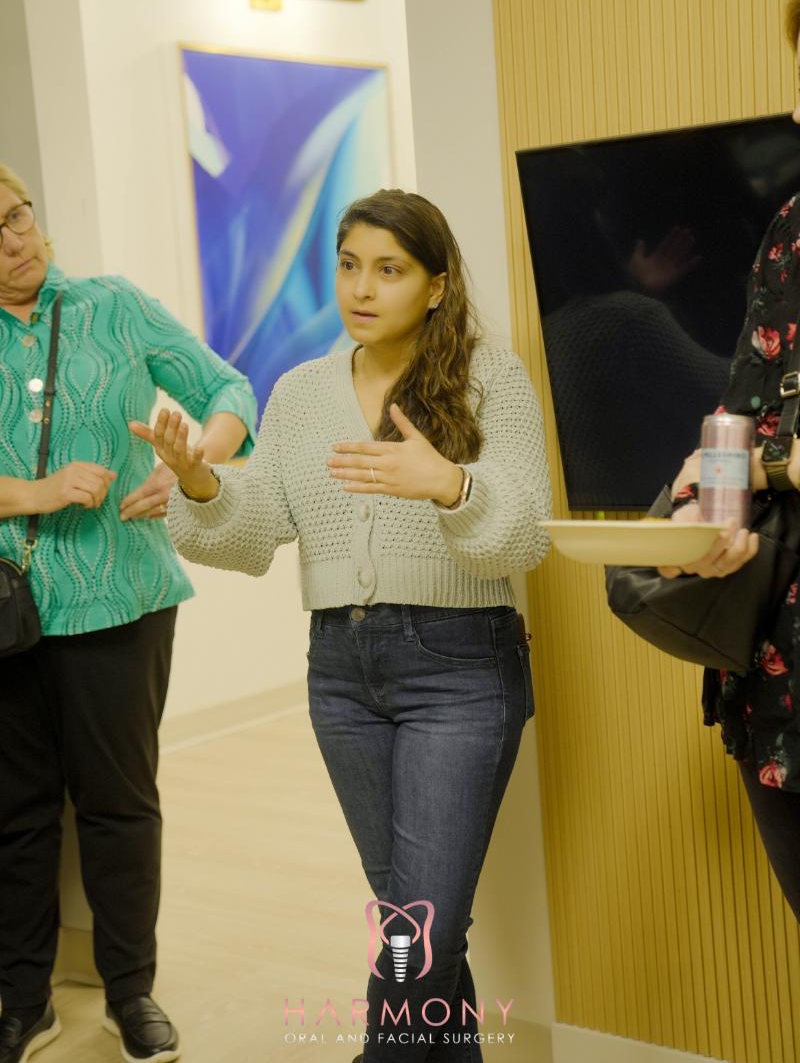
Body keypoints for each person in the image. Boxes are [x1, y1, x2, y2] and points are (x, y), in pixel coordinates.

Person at [158, 189, 552, 1063]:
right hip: (341, 672)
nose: (360, 289)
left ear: (438, 286)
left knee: (419, 933)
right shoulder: (299, 393)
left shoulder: (491, 378)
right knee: (418, 924)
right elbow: (261, 523)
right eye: (347, 265)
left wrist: (450, 485)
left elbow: (526, 529)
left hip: (459, 668)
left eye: (389, 269)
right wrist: (201, 483)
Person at [0, 164, 257, 1063]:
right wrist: (33, 492)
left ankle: (132, 993)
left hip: (123, 597)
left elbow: (231, 393)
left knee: (118, 806)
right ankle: (21, 1001)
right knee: (16, 814)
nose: (16, 240)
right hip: (8, 611)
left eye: (20, 215)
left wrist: (190, 467)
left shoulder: (113, 304)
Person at [659, 0, 800, 923]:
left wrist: (767, 468)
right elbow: (735, 415)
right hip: (781, 674)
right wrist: (695, 508)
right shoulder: (790, 229)